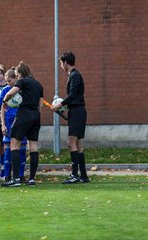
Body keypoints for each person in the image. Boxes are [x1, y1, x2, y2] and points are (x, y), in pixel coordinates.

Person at [1, 61, 43, 187]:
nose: (17, 77)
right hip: (36, 116)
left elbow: (10, 93)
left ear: (20, 73)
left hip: (24, 115)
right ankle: (31, 179)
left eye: (17, 74)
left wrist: (4, 102)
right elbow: (40, 106)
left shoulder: (22, 82)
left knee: (14, 145)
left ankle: (16, 180)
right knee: (33, 147)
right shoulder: (38, 84)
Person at [52, 51, 90, 184]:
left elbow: (73, 95)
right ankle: (83, 176)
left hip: (78, 112)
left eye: (61, 63)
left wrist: (59, 105)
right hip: (76, 111)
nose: (61, 66)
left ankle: (75, 175)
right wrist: (65, 107)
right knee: (78, 144)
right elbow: (75, 97)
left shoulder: (75, 76)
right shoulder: (74, 75)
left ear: (66, 62)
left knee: (71, 142)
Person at [0, 68, 27, 183]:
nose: (8, 83)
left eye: (10, 80)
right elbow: (2, 108)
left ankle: (20, 175)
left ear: (16, 79)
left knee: (22, 149)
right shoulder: (5, 90)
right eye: (6, 81)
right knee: (8, 148)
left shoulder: (22, 90)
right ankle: (7, 175)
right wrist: (3, 124)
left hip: (21, 121)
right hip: (9, 123)